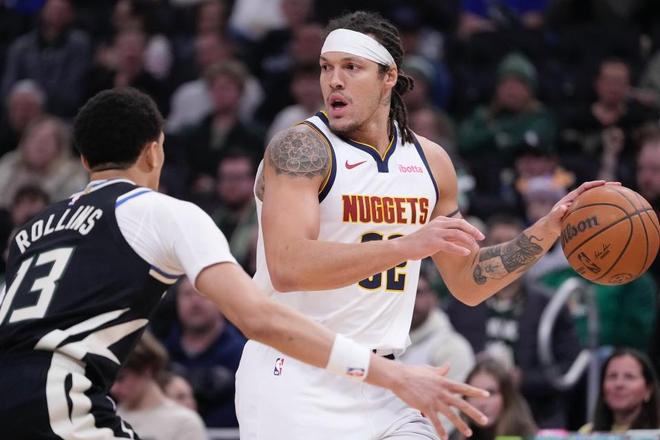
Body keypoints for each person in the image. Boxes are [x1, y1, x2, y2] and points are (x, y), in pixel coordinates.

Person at [0, 87, 489, 440]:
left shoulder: (31, 229)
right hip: (61, 396)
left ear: (85, 160)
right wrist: (394, 375)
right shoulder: (161, 212)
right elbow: (259, 318)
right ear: (154, 151)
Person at [238, 9, 608, 440]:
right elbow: (288, 268)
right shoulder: (301, 149)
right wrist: (406, 246)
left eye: (351, 67)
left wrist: (546, 231)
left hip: (381, 377)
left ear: (389, 76)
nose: (333, 81)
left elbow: (468, 282)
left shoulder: (430, 162)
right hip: (294, 373)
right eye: (326, 67)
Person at [111, 331, 208, 440]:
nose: (113, 388)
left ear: (146, 370)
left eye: (121, 378)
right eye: (110, 380)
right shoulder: (105, 418)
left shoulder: (184, 423)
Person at [451, 359, 538, 440]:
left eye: (491, 393)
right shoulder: (455, 436)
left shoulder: (526, 436)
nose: (482, 403)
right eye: (474, 394)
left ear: (507, 396)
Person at [580, 348, 660, 433]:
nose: (619, 384)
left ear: (648, 390)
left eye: (629, 377)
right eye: (612, 376)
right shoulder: (587, 433)